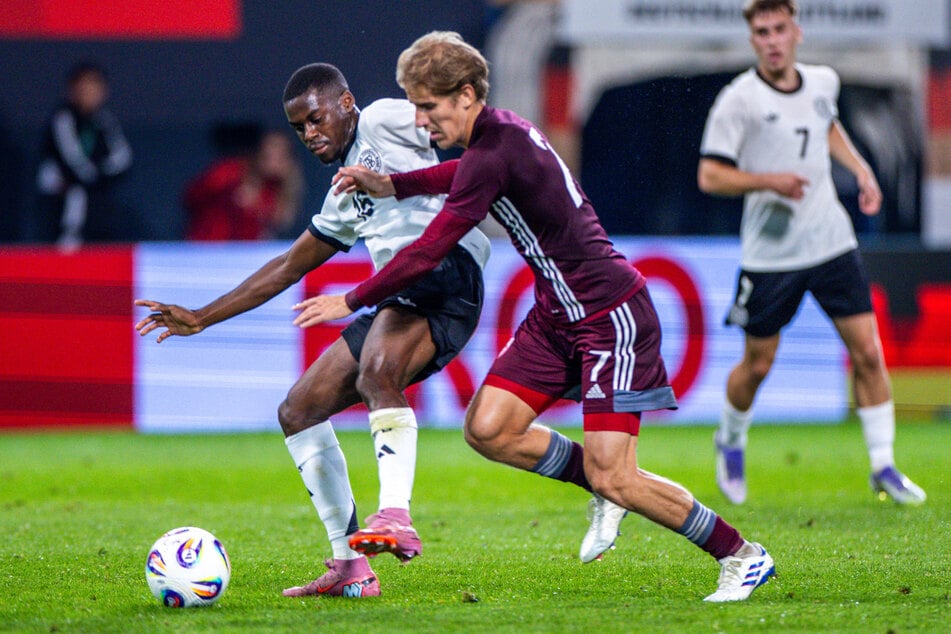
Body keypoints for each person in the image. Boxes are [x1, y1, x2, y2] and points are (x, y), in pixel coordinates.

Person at [300, 31, 774, 602]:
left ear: (467, 95)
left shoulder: (493, 153)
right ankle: (600, 487)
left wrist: (349, 300)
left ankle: (740, 554)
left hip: (608, 314)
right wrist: (393, 183)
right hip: (556, 315)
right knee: (488, 429)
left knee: (619, 473)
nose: (421, 121)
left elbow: (427, 250)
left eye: (429, 106)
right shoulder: (498, 139)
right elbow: (460, 174)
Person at [134, 62, 491, 598]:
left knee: (377, 370)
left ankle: (396, 514)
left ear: (346, 103)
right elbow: (288, 265)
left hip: (448, 272)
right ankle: (351, 566)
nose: (310, 134)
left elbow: (471, 125)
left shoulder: (385, 119)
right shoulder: (343, 194)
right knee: (299, 409)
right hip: (403, 291)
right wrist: (202, 317)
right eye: (300, 128)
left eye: (316, 119)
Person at [697, 0, 927, 507]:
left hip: (831, 242)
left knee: (868, 352)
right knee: (758, 365)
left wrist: (862, 170)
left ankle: (883, 464)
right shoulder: (739, 100)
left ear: (796, 31)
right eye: (762, 31)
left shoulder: (824, 81)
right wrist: (768, 180)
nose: (772, 39)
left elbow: (825, 126)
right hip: (771, 255)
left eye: (780, 29)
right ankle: (730, 439)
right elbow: (710, 176)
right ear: (752, 39)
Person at [36, 61, 133, 250]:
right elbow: (72, 161)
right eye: (84, 87)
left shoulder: (106, 121)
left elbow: (123, 159)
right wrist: (92, 176)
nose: (90, 93)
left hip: (99, 205)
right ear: (72, 90)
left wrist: (99, 177)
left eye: (95, 87)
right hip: (64, 205)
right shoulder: (62, 118)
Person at [184, 129, 303, 240]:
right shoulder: (229, 171)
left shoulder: (278, 187)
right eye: (268, 153)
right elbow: (192, 196)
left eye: (281, 155)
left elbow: (280, 221)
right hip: (207, 248)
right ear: (258, 152)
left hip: (247, 254)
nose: (273, 160)